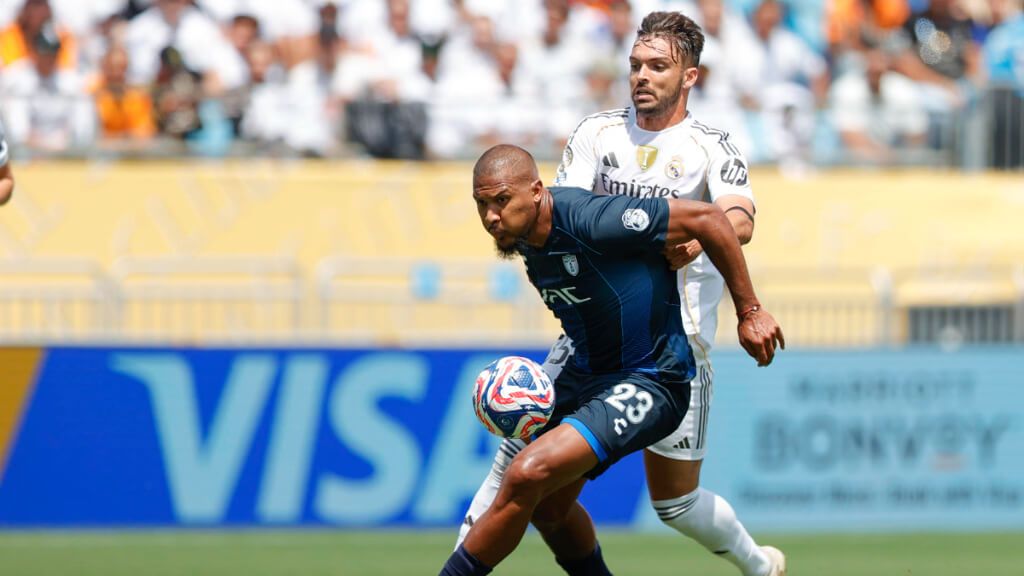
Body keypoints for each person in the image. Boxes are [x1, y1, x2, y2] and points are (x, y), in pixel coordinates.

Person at [456, 11, 786, 576]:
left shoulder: (711, 145)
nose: (642, 75)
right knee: (521, 466)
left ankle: (759, 565)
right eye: (635, 64)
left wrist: (703, 246)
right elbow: (568, 217)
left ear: (689, 77)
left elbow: (738, 217)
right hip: (597, 335)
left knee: (675, 503)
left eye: (659, 66)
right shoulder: (597, 133)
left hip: (679, 342)